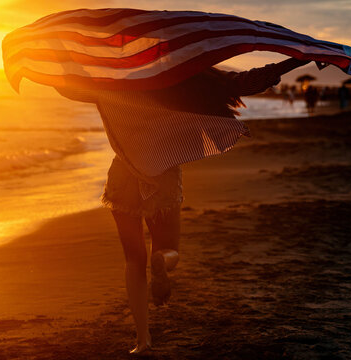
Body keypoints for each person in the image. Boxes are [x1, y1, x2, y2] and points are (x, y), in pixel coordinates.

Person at [56, 57, 309, 355]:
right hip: (162, 171)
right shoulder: (181, 77)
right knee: (167, 247)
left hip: (123, 173)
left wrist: (62, 58)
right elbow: (246, 81)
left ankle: (142, 339)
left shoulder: (113, 81)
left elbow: (67, 87)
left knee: (133, 260)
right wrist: (294, 61)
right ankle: (162, 261)